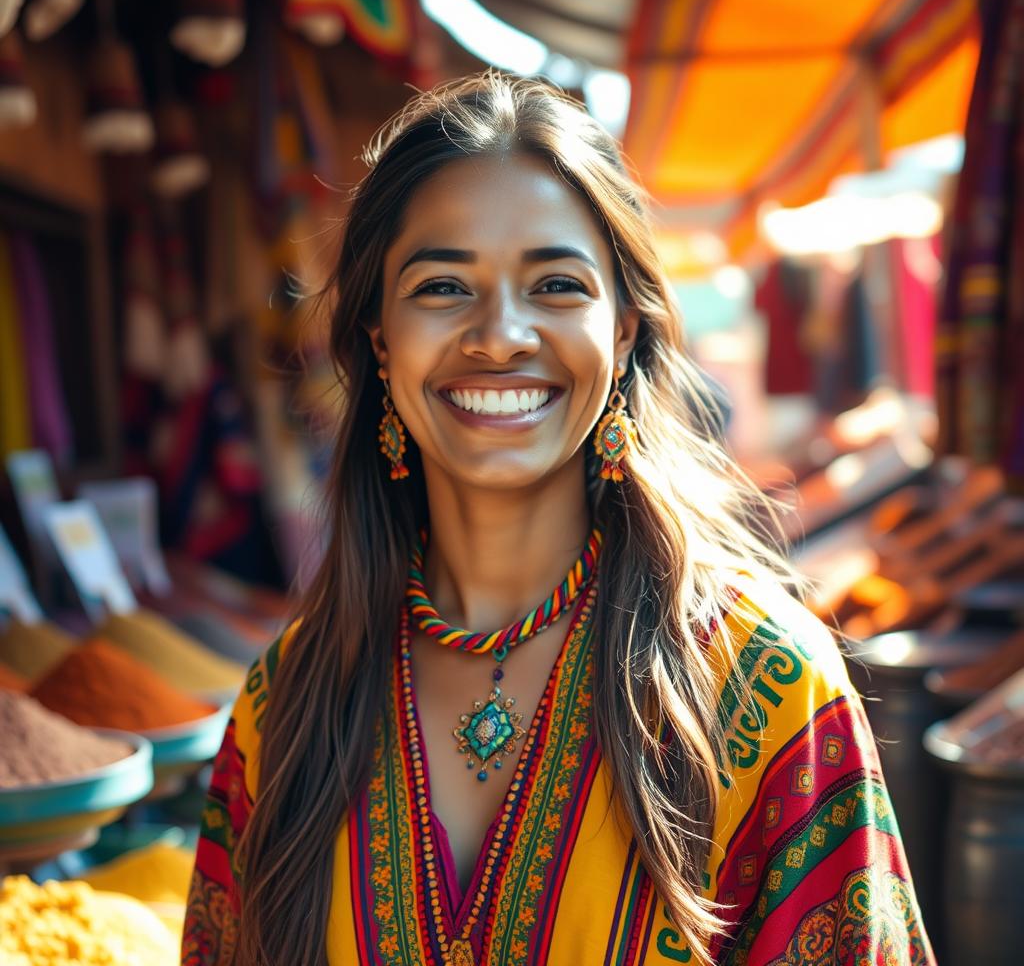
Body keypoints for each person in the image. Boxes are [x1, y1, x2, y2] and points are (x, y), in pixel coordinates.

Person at [182, 72, 932, 966]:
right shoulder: (286, 704)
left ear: (622, 332)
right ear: (380, 338)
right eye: (441, 288)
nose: (500, 335)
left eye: (557, 286)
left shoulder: (766, 694)